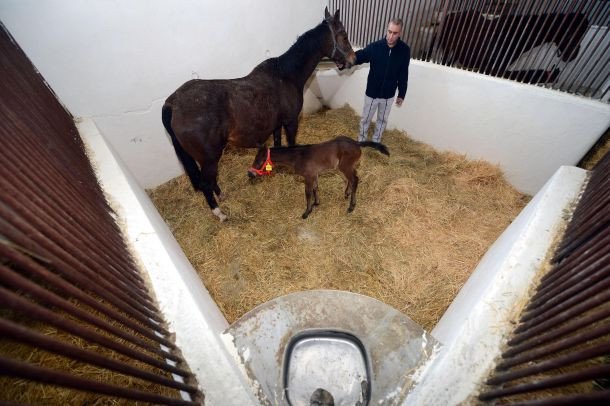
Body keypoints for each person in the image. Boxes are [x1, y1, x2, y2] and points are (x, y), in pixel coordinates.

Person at [354, 18, 411, 143]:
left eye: (395, 33)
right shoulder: (375, 47)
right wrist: (346, 59)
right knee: (365, 118)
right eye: (389, 32)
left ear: (400, 33)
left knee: (382, 120)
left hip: (388, 95)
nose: (391, 36)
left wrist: (402, 93)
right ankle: (362, 140)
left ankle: (376, 141)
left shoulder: (404, 51)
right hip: (372, 93)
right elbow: (360, 56)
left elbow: (403, 74)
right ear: (387, 30)